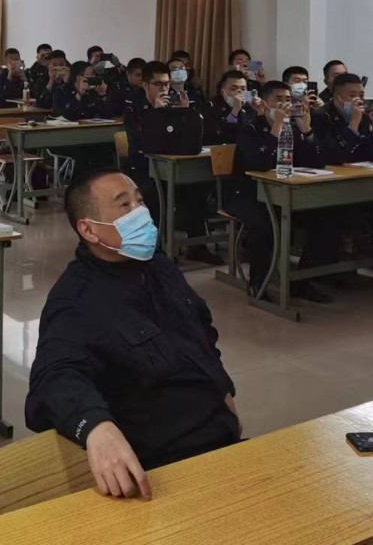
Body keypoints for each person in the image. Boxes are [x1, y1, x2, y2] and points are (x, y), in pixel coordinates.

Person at [25, 169, 239, 496]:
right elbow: (55, 376)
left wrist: (223, 389)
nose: (140, 212)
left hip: (223, 440)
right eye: (124, 205)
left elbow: (200, 331)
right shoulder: (75, 301)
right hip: (164, 465)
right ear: (89, 229)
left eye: (140, 201)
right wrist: (96, 428)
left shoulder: (158, 266)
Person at [222, 82, 326, 299]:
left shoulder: (293, 127)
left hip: (284, 192)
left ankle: (301, 281)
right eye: (278, 100)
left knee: (323, 219)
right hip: (248, 194)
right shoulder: (250, 128)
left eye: (288, 100)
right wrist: (276, 128)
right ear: (264, 103)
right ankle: (258, 283)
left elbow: (316, 163)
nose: (284, 105)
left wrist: (306, 130)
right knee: (266, 225)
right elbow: (259, 164)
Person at [123, 61, 220, 266]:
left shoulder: (175, 103)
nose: (164, 89)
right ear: (145, 85)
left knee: (198, 191)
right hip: (144, 167)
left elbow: (189, 141)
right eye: (158, 84)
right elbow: (143, 144)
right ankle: (156, 247)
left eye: (166, 84)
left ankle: (197, 246)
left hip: (174, 165)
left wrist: (185, 114)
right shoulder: (133, 108)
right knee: (154, 194)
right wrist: (156, 114)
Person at [311, 73, 373, 164]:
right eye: (352, 95)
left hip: (360, 169)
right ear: (337, 97)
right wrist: (354, 123)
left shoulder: (364, 116)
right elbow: (333, 156)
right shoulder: (321, 116)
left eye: (361, 96)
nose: (359, 100)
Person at [202, 70, 252, 146]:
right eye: (234, 89)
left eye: (243, 89)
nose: (239, 92)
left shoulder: (250, 108)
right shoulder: (211, 108)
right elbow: (222, 137)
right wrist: (235, 111)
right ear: (223, 91)